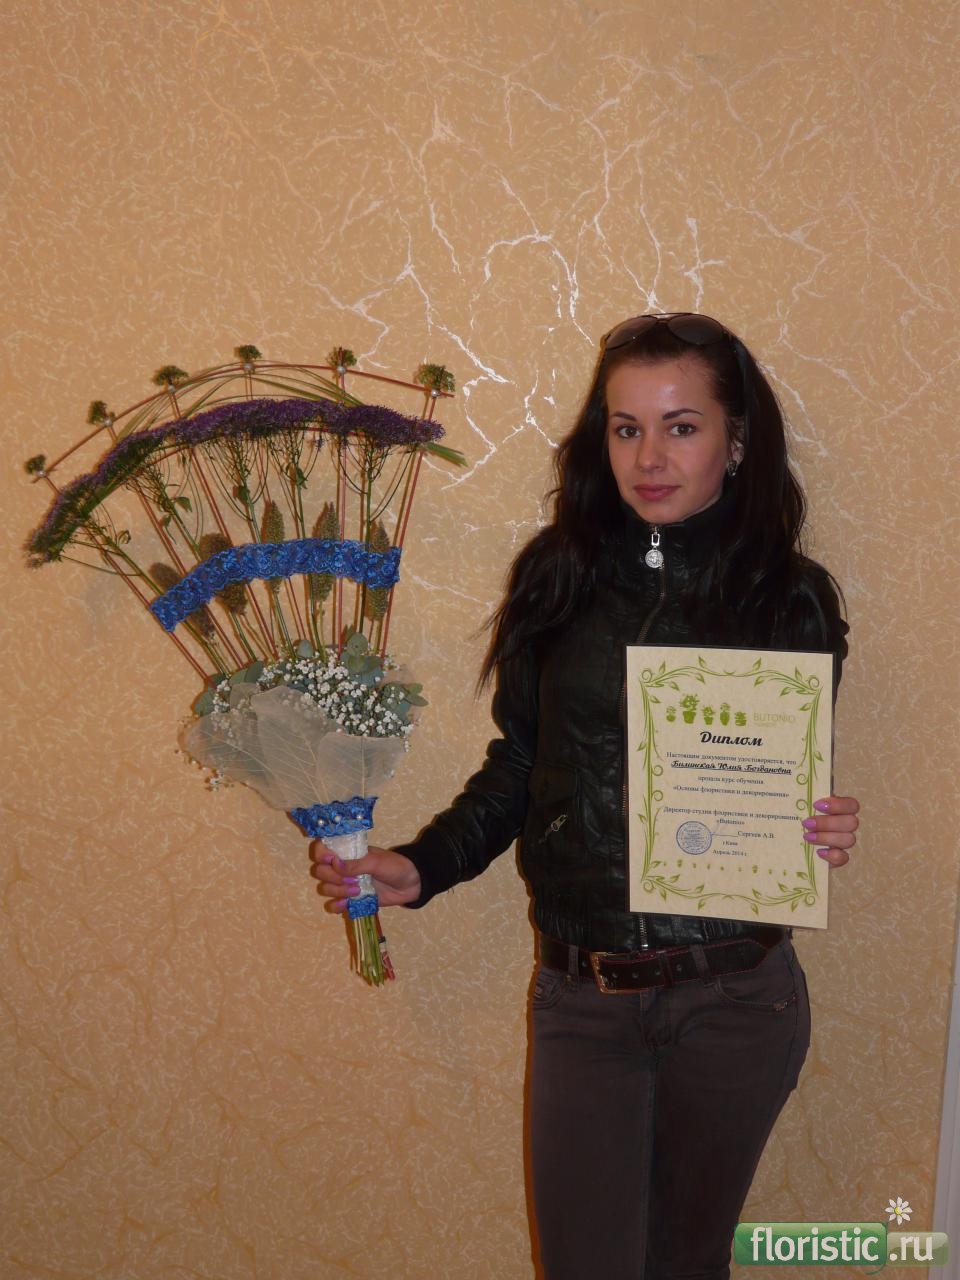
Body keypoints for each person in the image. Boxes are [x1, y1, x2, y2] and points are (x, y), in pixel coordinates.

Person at [310, 312, 860, 1280]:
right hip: (582, 997)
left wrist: (819, 825)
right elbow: (520, 765)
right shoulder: (557, 577)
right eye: (626, 427)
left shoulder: (790, 597)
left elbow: (780, 784)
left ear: (736, 441)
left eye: (681, 427)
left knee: (688, 1265)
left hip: (734, 999)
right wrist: (422, 866)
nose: (649, 457)